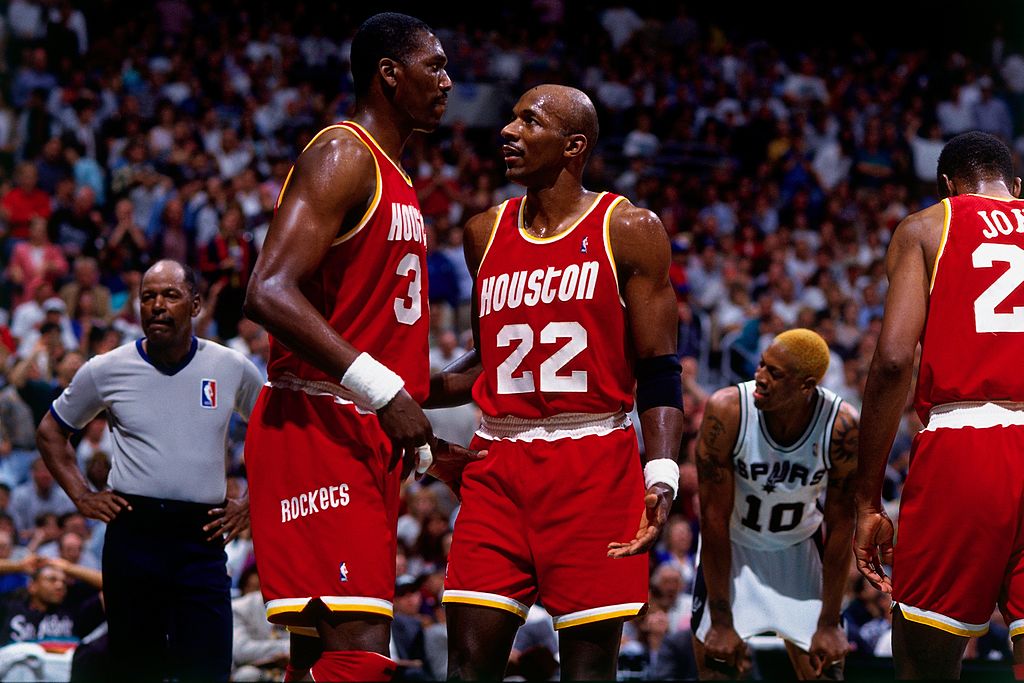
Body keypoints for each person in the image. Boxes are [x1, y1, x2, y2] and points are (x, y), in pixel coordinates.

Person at [425, 84, 685, 680]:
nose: (508, 131)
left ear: (573, 146)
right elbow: (484, 365)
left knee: (588, 673)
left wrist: (662, 473)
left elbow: (659, 367)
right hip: (499, 463)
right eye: (511, 119)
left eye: (528, 121)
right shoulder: (482, 233)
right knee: (465, 666)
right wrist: (396, 390)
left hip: (594, 463)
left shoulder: (629, 228)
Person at [241, 12, 470, 683]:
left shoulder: (397, 178)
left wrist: (432, 421)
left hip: (358, 426)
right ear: (389, 75)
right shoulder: (343, 154)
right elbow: (267, 290)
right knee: (362, 652)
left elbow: (384, 344)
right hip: (316, 422)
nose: (449, 81)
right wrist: (386, 392)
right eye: (435, 65)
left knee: (320, 656)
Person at [35, 259, 264, 683]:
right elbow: (51, 432)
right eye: (148, 296)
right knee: (135, 669)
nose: (157, 305)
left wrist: (252, 504)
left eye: (170, 295)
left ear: (195, 305)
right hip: (132, 532)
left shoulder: (232, 367)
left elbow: (277, 436)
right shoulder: (105, 369)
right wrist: (82, 496)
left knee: (209, 668)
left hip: (202, 535)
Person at [854, 130, 1024, 679]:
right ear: (1016, 186)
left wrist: (868, 500)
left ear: (947, 186)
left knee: (925, 666)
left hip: (966, 443)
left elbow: (893, 360)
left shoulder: (929, 226)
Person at [692, 328, 859, 680]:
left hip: (800, 548)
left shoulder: (841, 425)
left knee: (827, 671)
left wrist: (830, 621)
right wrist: (721, 620)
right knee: (716, 667)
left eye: (774, 373)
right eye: (761, 365)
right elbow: (712, 518)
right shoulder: (727, 411)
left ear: (805, 385)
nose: (760, 378)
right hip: (734, 547)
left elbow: (842, 523)